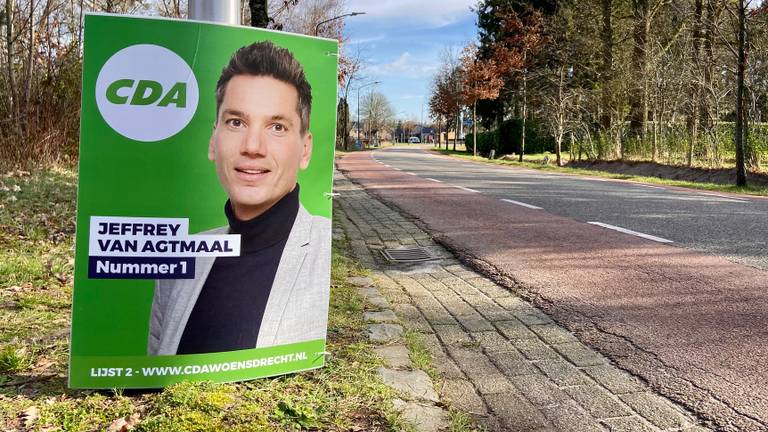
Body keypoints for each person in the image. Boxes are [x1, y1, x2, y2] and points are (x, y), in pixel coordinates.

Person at [147, 41, 331, 356]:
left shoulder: (327, 249)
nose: (253, 146)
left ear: (306, 149)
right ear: (213, 140)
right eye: (236, 122)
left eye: (277, 126)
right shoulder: (181, 261)